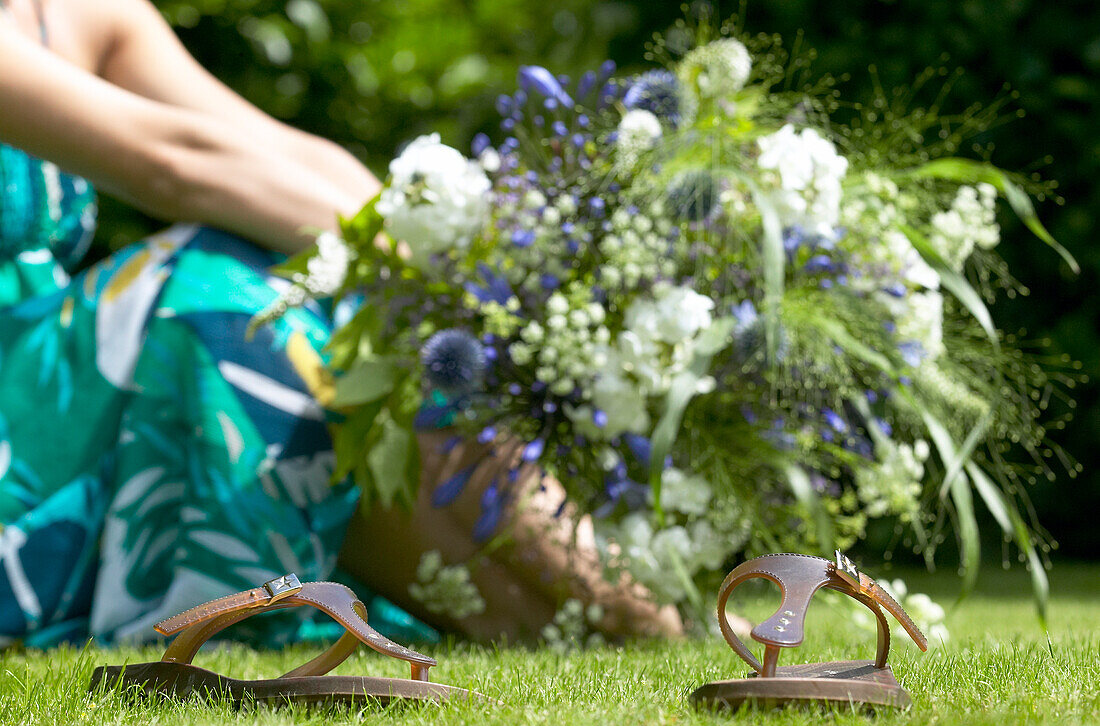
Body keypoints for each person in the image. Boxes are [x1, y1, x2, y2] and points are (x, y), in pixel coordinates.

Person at [0, 0, 680, 648]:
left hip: (51, 373)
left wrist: (456, 257)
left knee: (342, 303)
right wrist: (393, 263)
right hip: (20, 416)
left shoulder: (84, 12)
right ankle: (588, 603)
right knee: (222, 294)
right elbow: (173, 161)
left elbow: (284, 153)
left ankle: (591, 596)